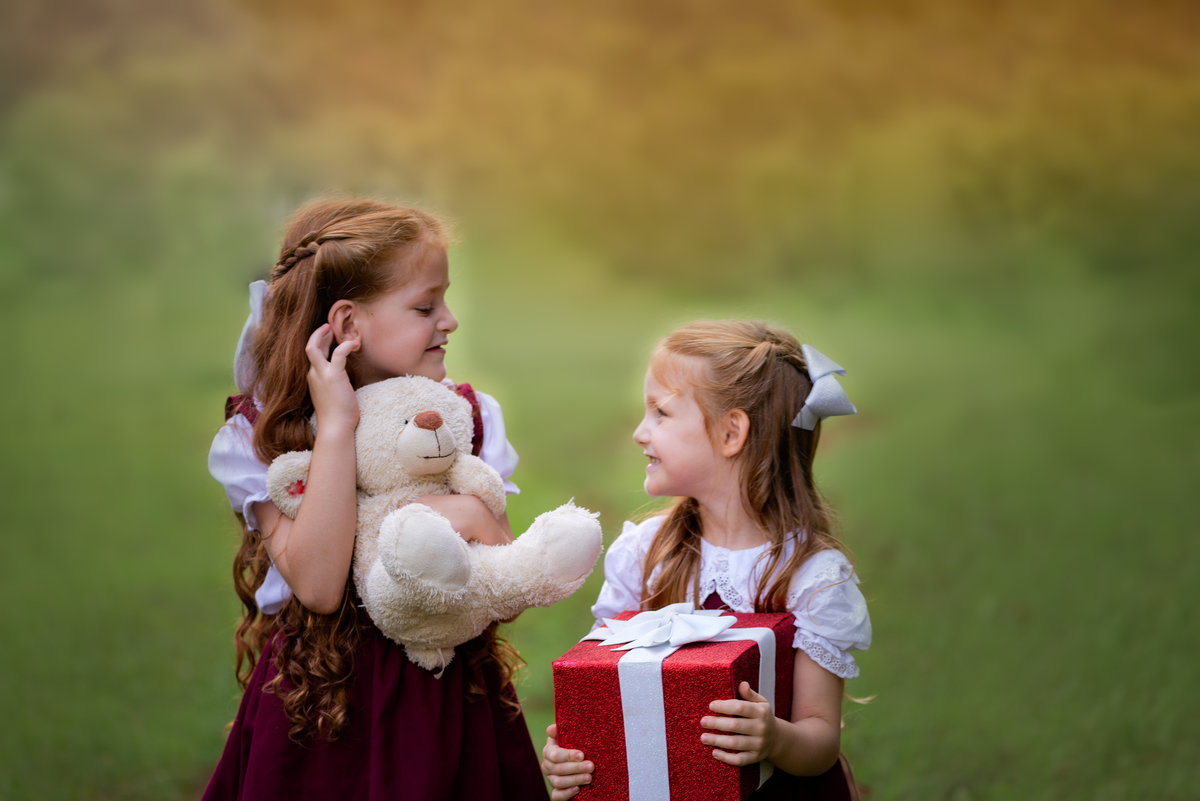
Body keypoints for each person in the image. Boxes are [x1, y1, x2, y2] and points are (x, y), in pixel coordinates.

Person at [204, 196, 547, 800]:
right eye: (424, 305)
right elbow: (318, 582)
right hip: (321, 716)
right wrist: (337, 426)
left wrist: (470, 513)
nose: (449, 320)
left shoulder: (459, 420)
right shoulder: (264, 436)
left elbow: (505, 580)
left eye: (444, 298)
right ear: (347, 326)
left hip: (448, 698)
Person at [541, 320, 872, 800]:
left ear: (731, 432)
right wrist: (573, 752)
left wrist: (775, 738)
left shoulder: (811, 577)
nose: (639, 432)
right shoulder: (644, 554)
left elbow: (820, 736)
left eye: (660, 412)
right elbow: (608, 689)